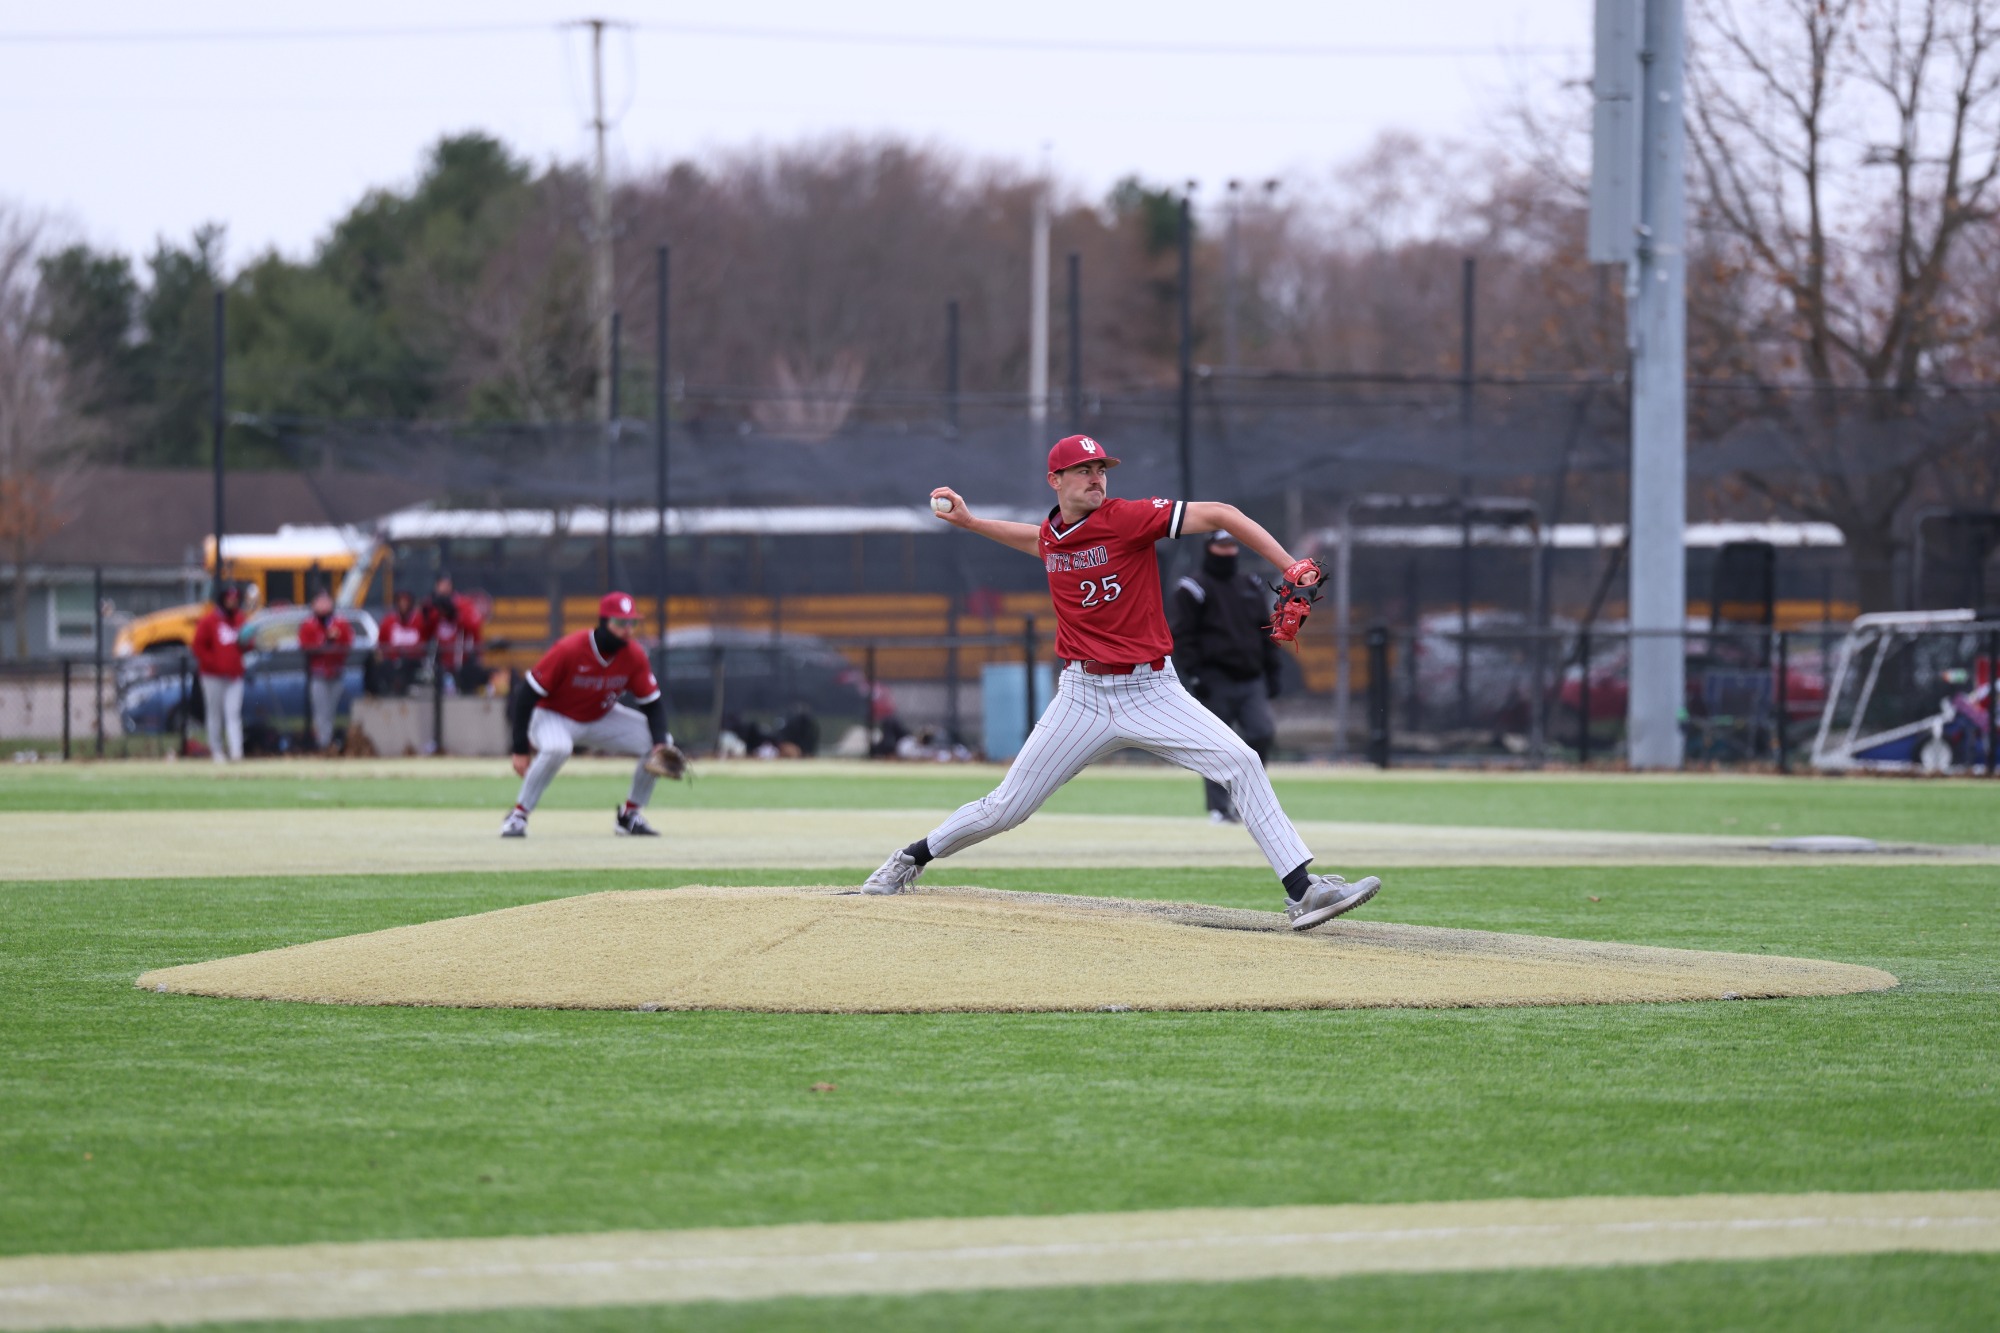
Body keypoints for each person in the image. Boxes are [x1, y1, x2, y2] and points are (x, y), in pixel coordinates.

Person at [861, 434, 1381, 931]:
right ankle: (910, 857)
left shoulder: (1127, 519)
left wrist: (1290, 566)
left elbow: (1222, 514)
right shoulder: (1054, 535)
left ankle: (1302, 891)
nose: (1096, 478)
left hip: (1151, 691)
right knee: (1006, 807)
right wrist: (972, 522)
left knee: (1242, 762)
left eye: (1101, 469)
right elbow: (1038, 541)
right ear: (1055, 480)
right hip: (1081, 698)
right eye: (1083, 470)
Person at [502, 590, 676, 838]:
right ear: (604, 622)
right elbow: (526, 695)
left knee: (662, 744)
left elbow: (652, 704)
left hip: (599, 716)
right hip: (553, 715)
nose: (627, 629)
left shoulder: (634, 655)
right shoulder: (570, 649)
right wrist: (520, 748)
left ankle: (629, 816)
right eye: (620, 622)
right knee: (557, 748)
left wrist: (658, 744)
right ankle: (518, 815)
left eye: (632, 622)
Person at [1171, 530, 1284, 824]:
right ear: (1210, 549)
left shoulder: (1250, 584)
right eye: (1221, 545)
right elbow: (1183, 635)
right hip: (1214, 677)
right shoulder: (1193, 587)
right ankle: (1219, 807)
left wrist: (1273, 672)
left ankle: (1249, 800)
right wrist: (1194, 674)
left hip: (1250, 677)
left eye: (1232, 544)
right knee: (1217, 745)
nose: (1227, 550)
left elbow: (1266, 631)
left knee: (1261, 732)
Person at [189, 583, 246, 763]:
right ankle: (217, 751)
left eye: (235, 599)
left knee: (233, 713)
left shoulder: (240, 620)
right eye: (229, 599)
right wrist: (214, 664)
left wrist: (249, 640)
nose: (232, 602)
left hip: (234, 675)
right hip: (212, 676)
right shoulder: (209, 621)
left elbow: (245, 646)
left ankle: (237, 752)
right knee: (214, 714)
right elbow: (198, 647)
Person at [296, 588, 355, 751]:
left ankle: (328, 743)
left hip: (336, 672)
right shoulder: (309, 624)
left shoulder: (340, 622)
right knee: (321, 712)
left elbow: (348, 644)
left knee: (331, 711)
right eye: (319, 601)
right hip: (318, 674)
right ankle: (324, 744)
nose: (323, 605)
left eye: (326, 601)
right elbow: (304, 646)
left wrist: (334, 641)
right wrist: (323, 643)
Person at [420, 571, 486, 692]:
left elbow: (475, 626)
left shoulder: (463, 603)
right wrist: (431, 613)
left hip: (461, 661)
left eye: (446, 584)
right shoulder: (434, 607)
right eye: (441, 584)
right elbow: (425, 632)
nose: (444, 588)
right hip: (440, 661)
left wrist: (455, 615)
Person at [372, 588, 429, 696]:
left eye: (406, 602)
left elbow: (425, 642)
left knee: (406, 664)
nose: (403, 605)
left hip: (413, 662)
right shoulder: (389, 621)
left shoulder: (419, 621)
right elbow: (381, 643)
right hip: (393, 662)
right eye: (400, 602)